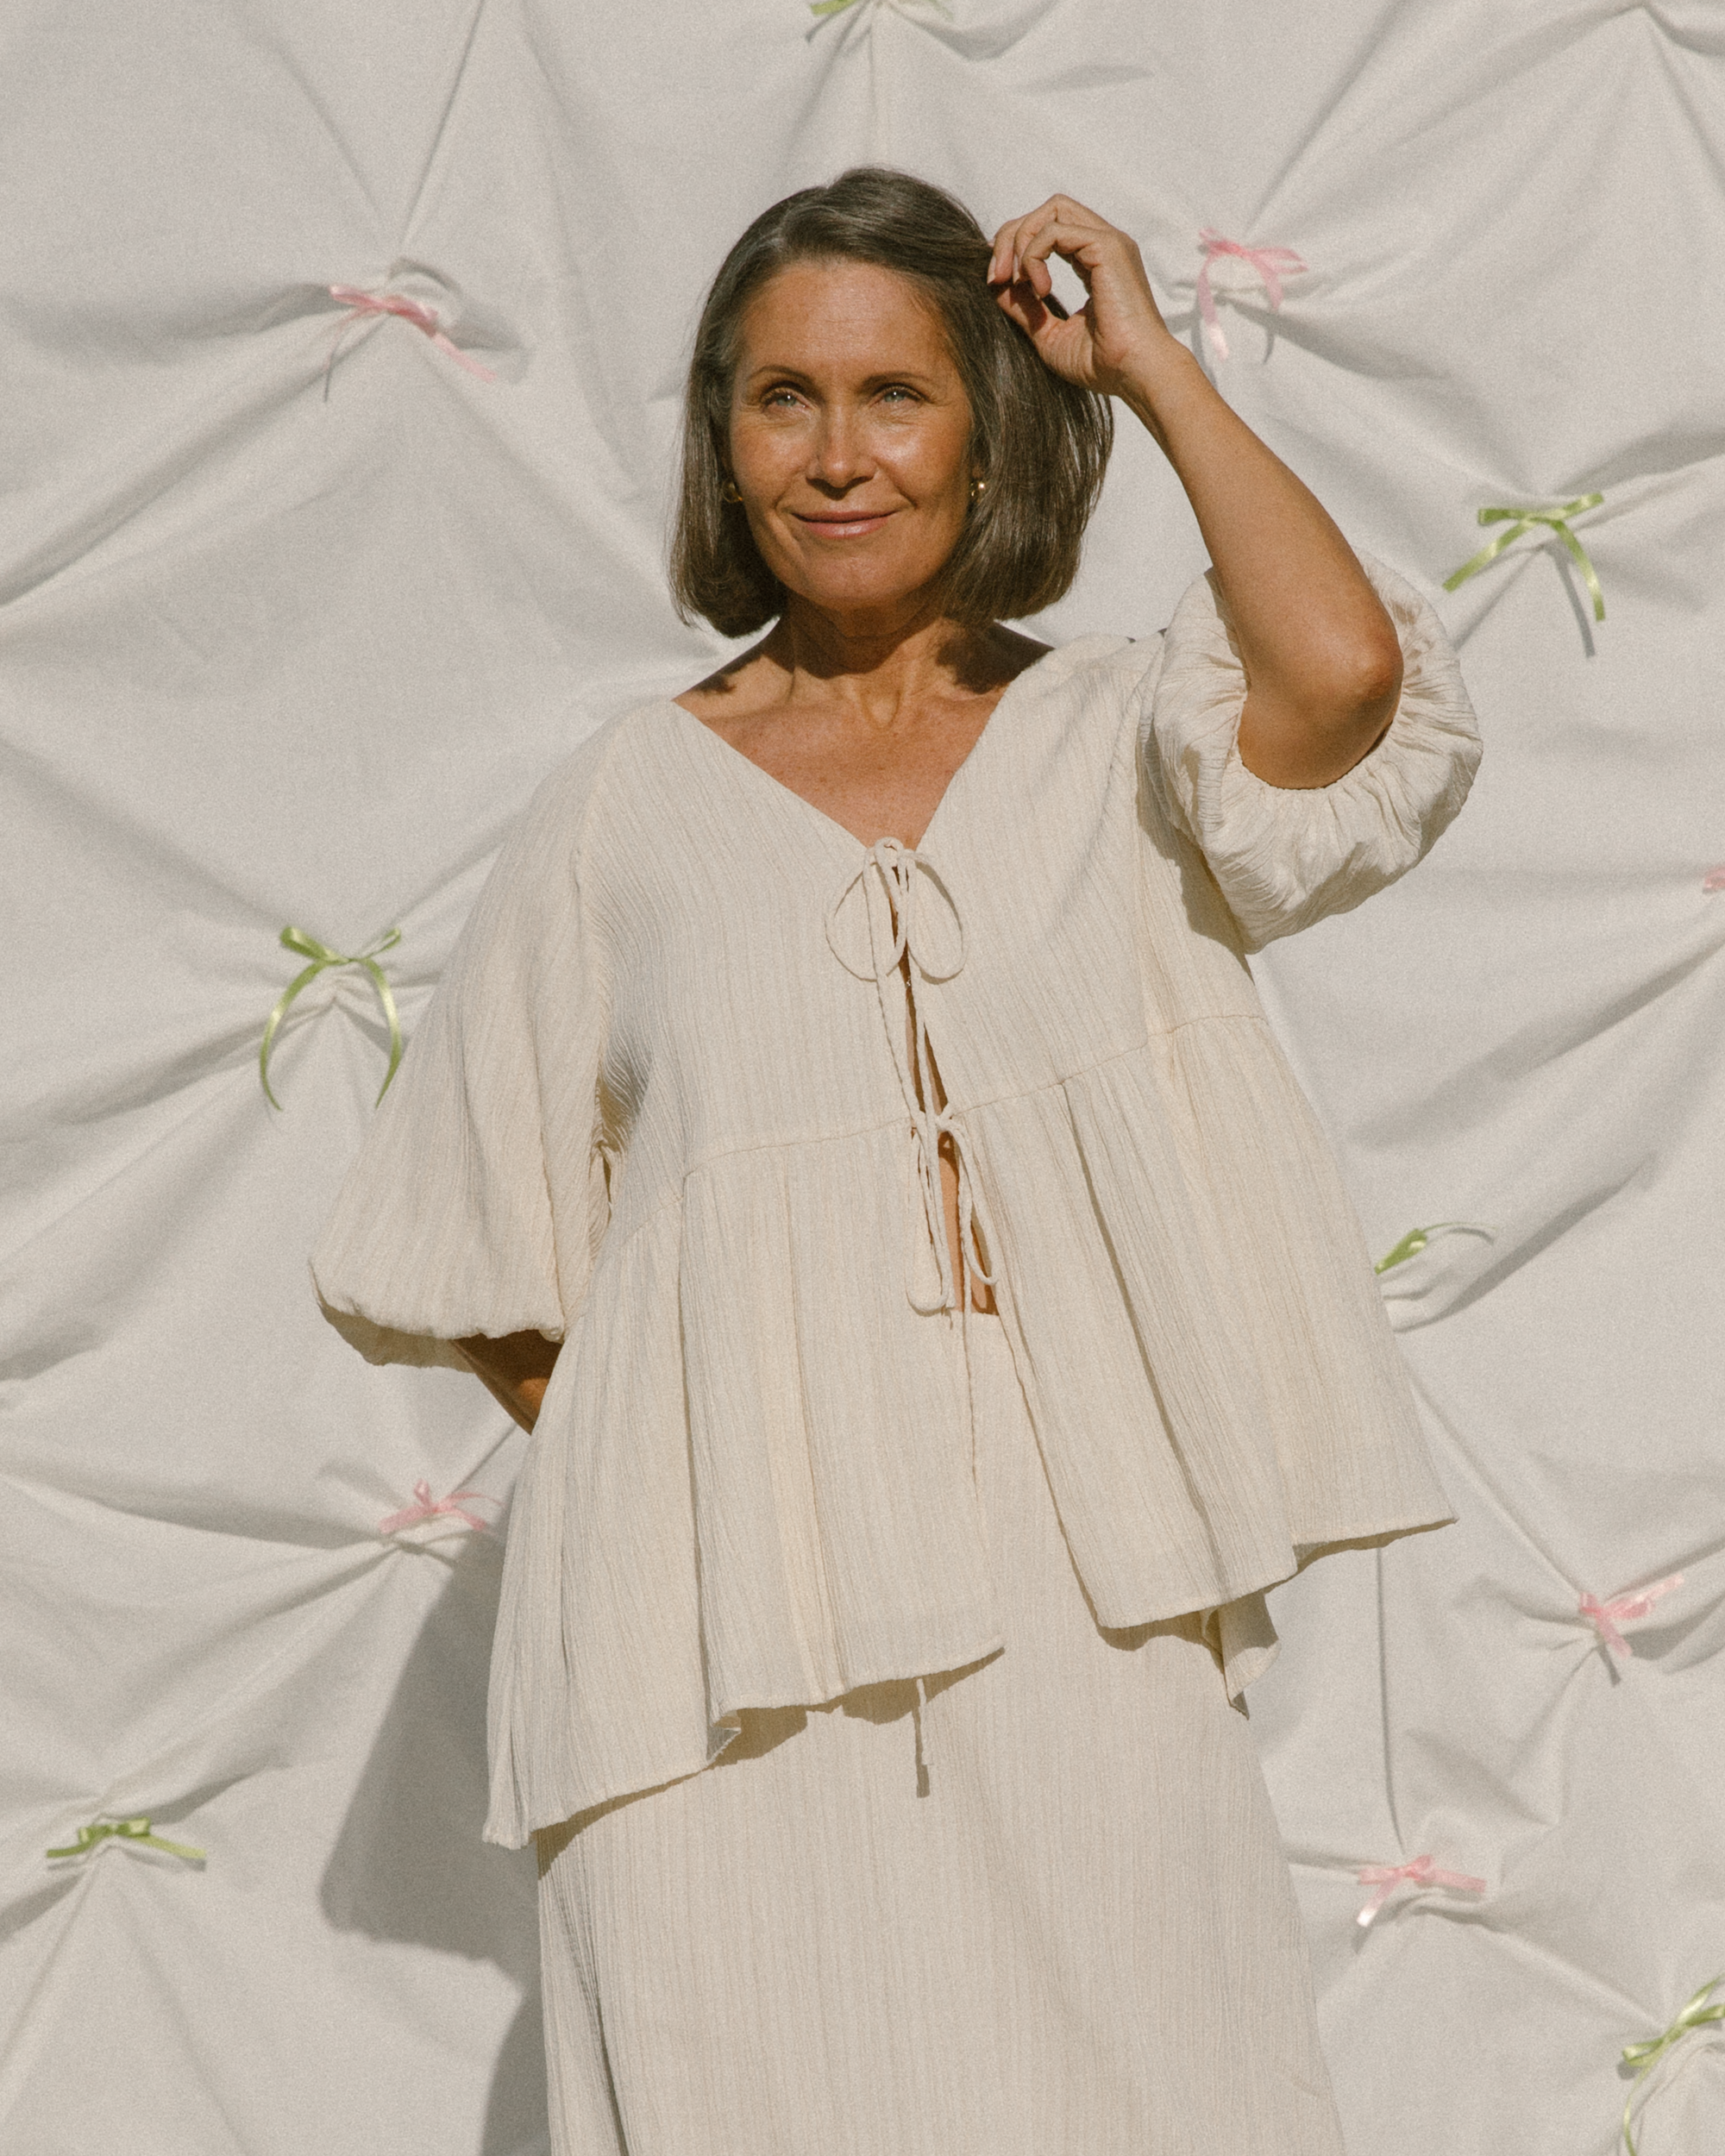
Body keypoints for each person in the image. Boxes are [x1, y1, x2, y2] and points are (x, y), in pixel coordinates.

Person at [311, 166, 1480, 2154]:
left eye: (894, 395)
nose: (836, 454)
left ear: (989, 425)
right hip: (710, 1686)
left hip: (1081, 1605)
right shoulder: (618, 807)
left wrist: (1153, 360)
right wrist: (716, 1460)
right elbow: (478, 1259)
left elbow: (1346, 687)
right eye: (782, 398)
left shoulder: (1128, 736)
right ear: (721, 436)